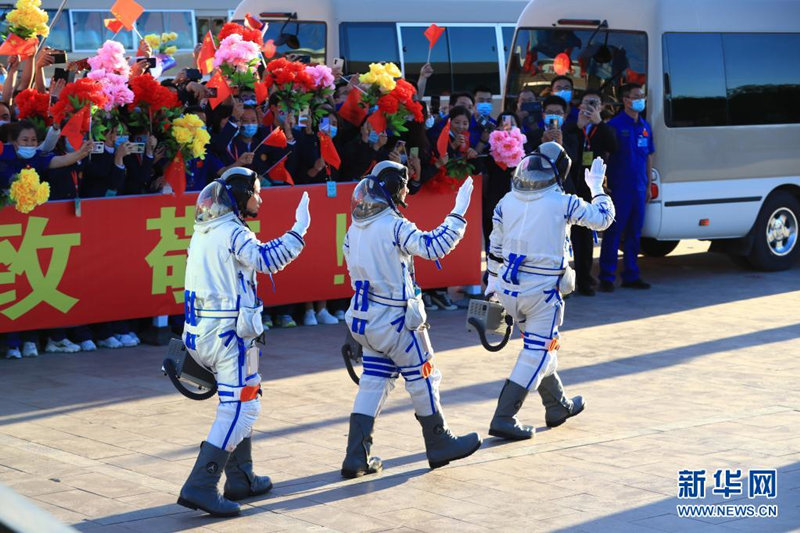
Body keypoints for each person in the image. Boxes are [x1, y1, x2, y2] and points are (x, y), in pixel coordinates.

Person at [177, 168, 311, 517]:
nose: (260, 198)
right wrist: (299, 231)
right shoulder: (233, 231)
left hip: (201, 332)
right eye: (256, 192)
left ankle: (242, 477)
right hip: (228, 337)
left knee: (238, 399)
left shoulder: (204, 230)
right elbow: (267, 260)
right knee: (242, 406)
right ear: (239, 196)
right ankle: (201, 485)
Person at [340, 161, 481, 477]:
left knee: (374, 383)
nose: (407, 190)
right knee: (424, 376)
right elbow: (434, 246)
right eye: (403, 184)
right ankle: (438, 441)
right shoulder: (393, 225)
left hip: (366, 320)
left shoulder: (353, 230)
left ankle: (355, 456)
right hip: (396, 321)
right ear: (391, 188)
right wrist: (459, 212)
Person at [485, 143, 615, 439]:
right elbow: (603, 219)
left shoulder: (507, 201)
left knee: (538, 345)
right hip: (542, 292)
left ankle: (557, 405)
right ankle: (504, 416)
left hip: (508, 286)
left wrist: (492, 284)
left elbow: (494, 247)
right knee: (538, 351)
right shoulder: (561, 201)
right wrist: (596, 187)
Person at [598, 83, 654, 291]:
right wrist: (604, 183)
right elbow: (606, 155)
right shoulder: (614, 125)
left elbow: (649, 156)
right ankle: (607, 276)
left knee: (635, 233)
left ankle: (631, 274)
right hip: (619, 188)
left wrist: (648, 184)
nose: (640, 99)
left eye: (642, 95)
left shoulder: (645, 126)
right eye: (636, 96)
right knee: (614, 232)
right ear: (626, 100)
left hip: (639, 188)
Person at [565, 91, 618, 295]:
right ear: (580, 105)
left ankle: (585, 280)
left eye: (595, 103)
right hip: (571, 184)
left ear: (602, 107)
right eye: (587, 103)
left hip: (591, 186)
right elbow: (564, 137)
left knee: (586, 236)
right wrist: (578, 125)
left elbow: (613, 146)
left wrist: (599, 123)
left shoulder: (603, 127)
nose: (590, 107)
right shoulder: (572, 123)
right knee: (567, 237)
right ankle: (565, 281)